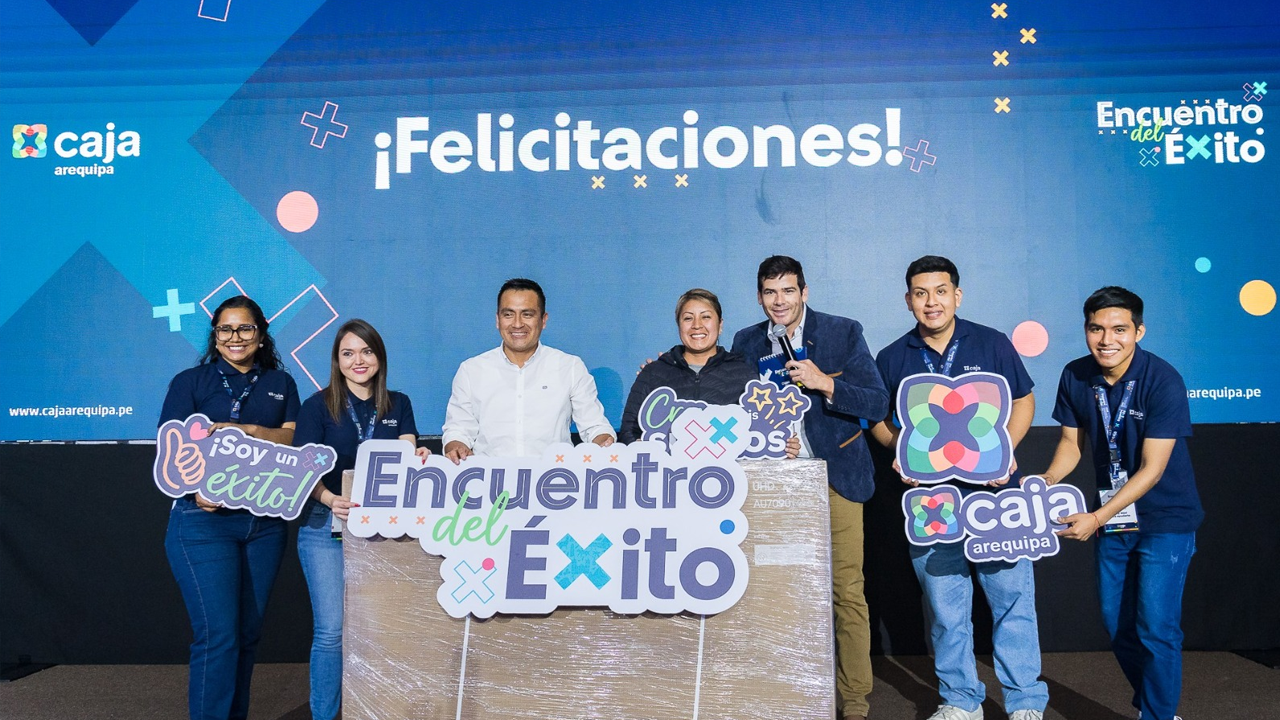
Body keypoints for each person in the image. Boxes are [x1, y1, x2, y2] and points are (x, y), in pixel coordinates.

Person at [869, 256, 1047, 720]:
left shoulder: (992, 343)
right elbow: (878, 419)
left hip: (994, 496)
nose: (932, 302)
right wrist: (901, 451)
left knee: (1012, 601)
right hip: (931, 502)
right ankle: (960, 700)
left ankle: (1026, 702)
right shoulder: (893, 357)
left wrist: (1004, 449)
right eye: (921, 293)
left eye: (941, 291)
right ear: (908, 300)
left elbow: (1024, 400)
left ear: (957, 295)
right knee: (947, 609)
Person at [730, 256, 888, 720]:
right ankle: (789, 694)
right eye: (770, 292)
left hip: (835, 477)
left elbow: (877, 402)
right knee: (779, 590)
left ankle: (854, 702)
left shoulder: (843, 332)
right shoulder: (746, 342)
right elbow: (730, 407)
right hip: (777, 484)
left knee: (847, 591)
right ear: (759, 297)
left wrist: (825, 384)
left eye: (788, 291)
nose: (779, 301)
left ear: (804, 292)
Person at [1040, 286, 1203, 720]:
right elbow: (1071, 444)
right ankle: (1155, 705)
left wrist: (1096, 517)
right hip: (1114, 519)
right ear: (1086, 330)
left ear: (1138, 332)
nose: (1106, 339)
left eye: (1119, 330)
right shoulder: (1075, 375)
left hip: (1165, 519)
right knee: (1118, 626)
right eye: (1096, 329)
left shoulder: (1163, 379)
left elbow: (1152, 469)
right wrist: (1048, 479)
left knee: (1157, 628)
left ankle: (1158, 714)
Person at [159, 295, 300, 720]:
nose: (235, 337)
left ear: (261, 335)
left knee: (247, 635)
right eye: (225, 329)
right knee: (218, 636)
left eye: (245, 328)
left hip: (264, 524)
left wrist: (250, 430)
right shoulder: (190, 382)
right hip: (203, 523)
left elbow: (294, 438)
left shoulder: (281, 383)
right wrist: (196, 490)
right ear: (215, 336)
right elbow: (172, 445)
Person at [291, 319, 428, 720]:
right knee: (332, 631)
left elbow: (406, 452)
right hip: (326, 526)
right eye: (348, 353)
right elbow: (302, 469)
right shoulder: (317, 406)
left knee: (382, 629)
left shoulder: (398, 403)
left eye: (366, 351)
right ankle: (324, 715)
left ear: (379, 356)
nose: (358, 360)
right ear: (337, 361)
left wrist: (417, 459)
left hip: (384, 531)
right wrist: (330, 498)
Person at [443, 278, 615, 461]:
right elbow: (458, 431)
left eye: (527, 314)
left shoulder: (570, 367)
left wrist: (604, 443)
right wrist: (457, 448)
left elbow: (594, 427)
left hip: (554, 475)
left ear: (543, 320)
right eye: (508, 314)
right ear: (497, 320)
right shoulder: (471, 371)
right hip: (491, 477)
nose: (517, 324)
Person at [618, 288, 760, 442]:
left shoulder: (744, 375)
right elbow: (629, 432)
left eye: (706, 317)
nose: (697, 325)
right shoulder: (653, 373)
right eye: (688, 318)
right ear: (678, 325)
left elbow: (758, 432)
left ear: (720, 325)